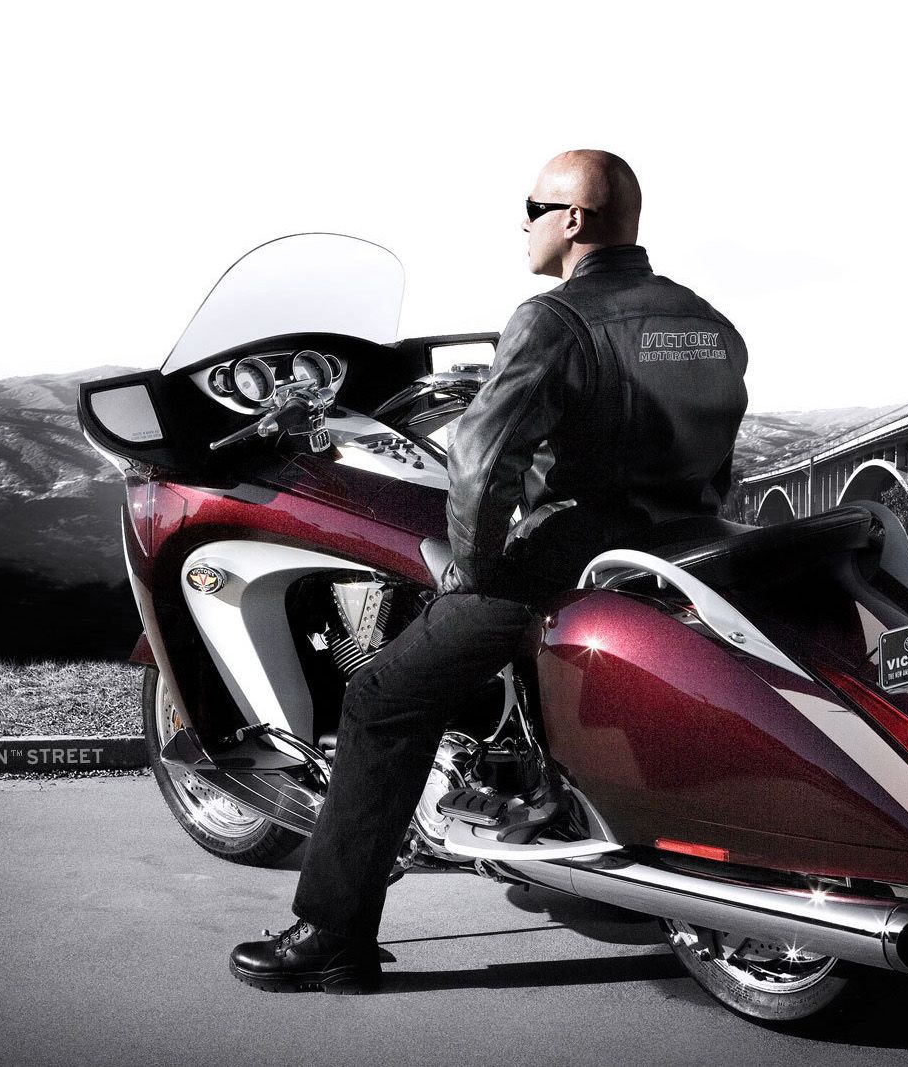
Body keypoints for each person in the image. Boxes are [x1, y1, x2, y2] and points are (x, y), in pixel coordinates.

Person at [229, 149, 750, 993]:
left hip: (571, 561)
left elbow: (480, 458)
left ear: (573, 219)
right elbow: (718, 453)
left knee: (382, 698)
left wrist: (473, 570)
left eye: (533, 207)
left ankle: (331, 935)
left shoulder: (556, 319)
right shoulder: (708, 321)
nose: (523, 223)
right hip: (682, 551)